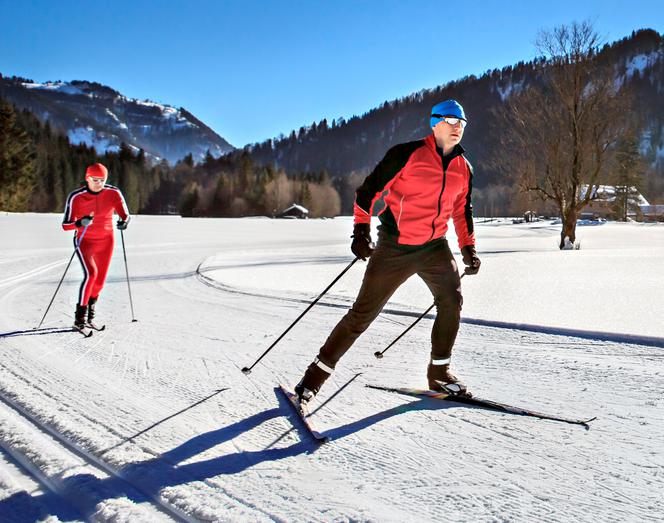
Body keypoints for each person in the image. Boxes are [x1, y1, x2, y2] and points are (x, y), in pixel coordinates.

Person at [295, 99, 481, 403]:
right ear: (434, 123)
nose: (457, 127)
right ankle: (313, 379)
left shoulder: (464, 168)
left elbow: (462, 211)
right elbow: (367, 193)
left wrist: (468, 248)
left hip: (435, 247)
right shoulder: (406, 155)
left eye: (462, 122)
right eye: (450, 120)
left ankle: (439, 374)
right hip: (396, 245)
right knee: (362, 315)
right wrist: (360, 231)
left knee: (452, 300)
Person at [62, 163, 130, 330]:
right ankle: (79, 319)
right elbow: (65, 225)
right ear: (87, 178)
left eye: (102, 180)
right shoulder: (76, 197)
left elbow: (126, 215)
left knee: (99, 282)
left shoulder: (113, 193)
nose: (98, 183)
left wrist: (123, 222)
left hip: (106, 241)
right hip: (85, 240)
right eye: (95, 179)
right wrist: (79, 222)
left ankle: (90, 316)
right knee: (91, 275)